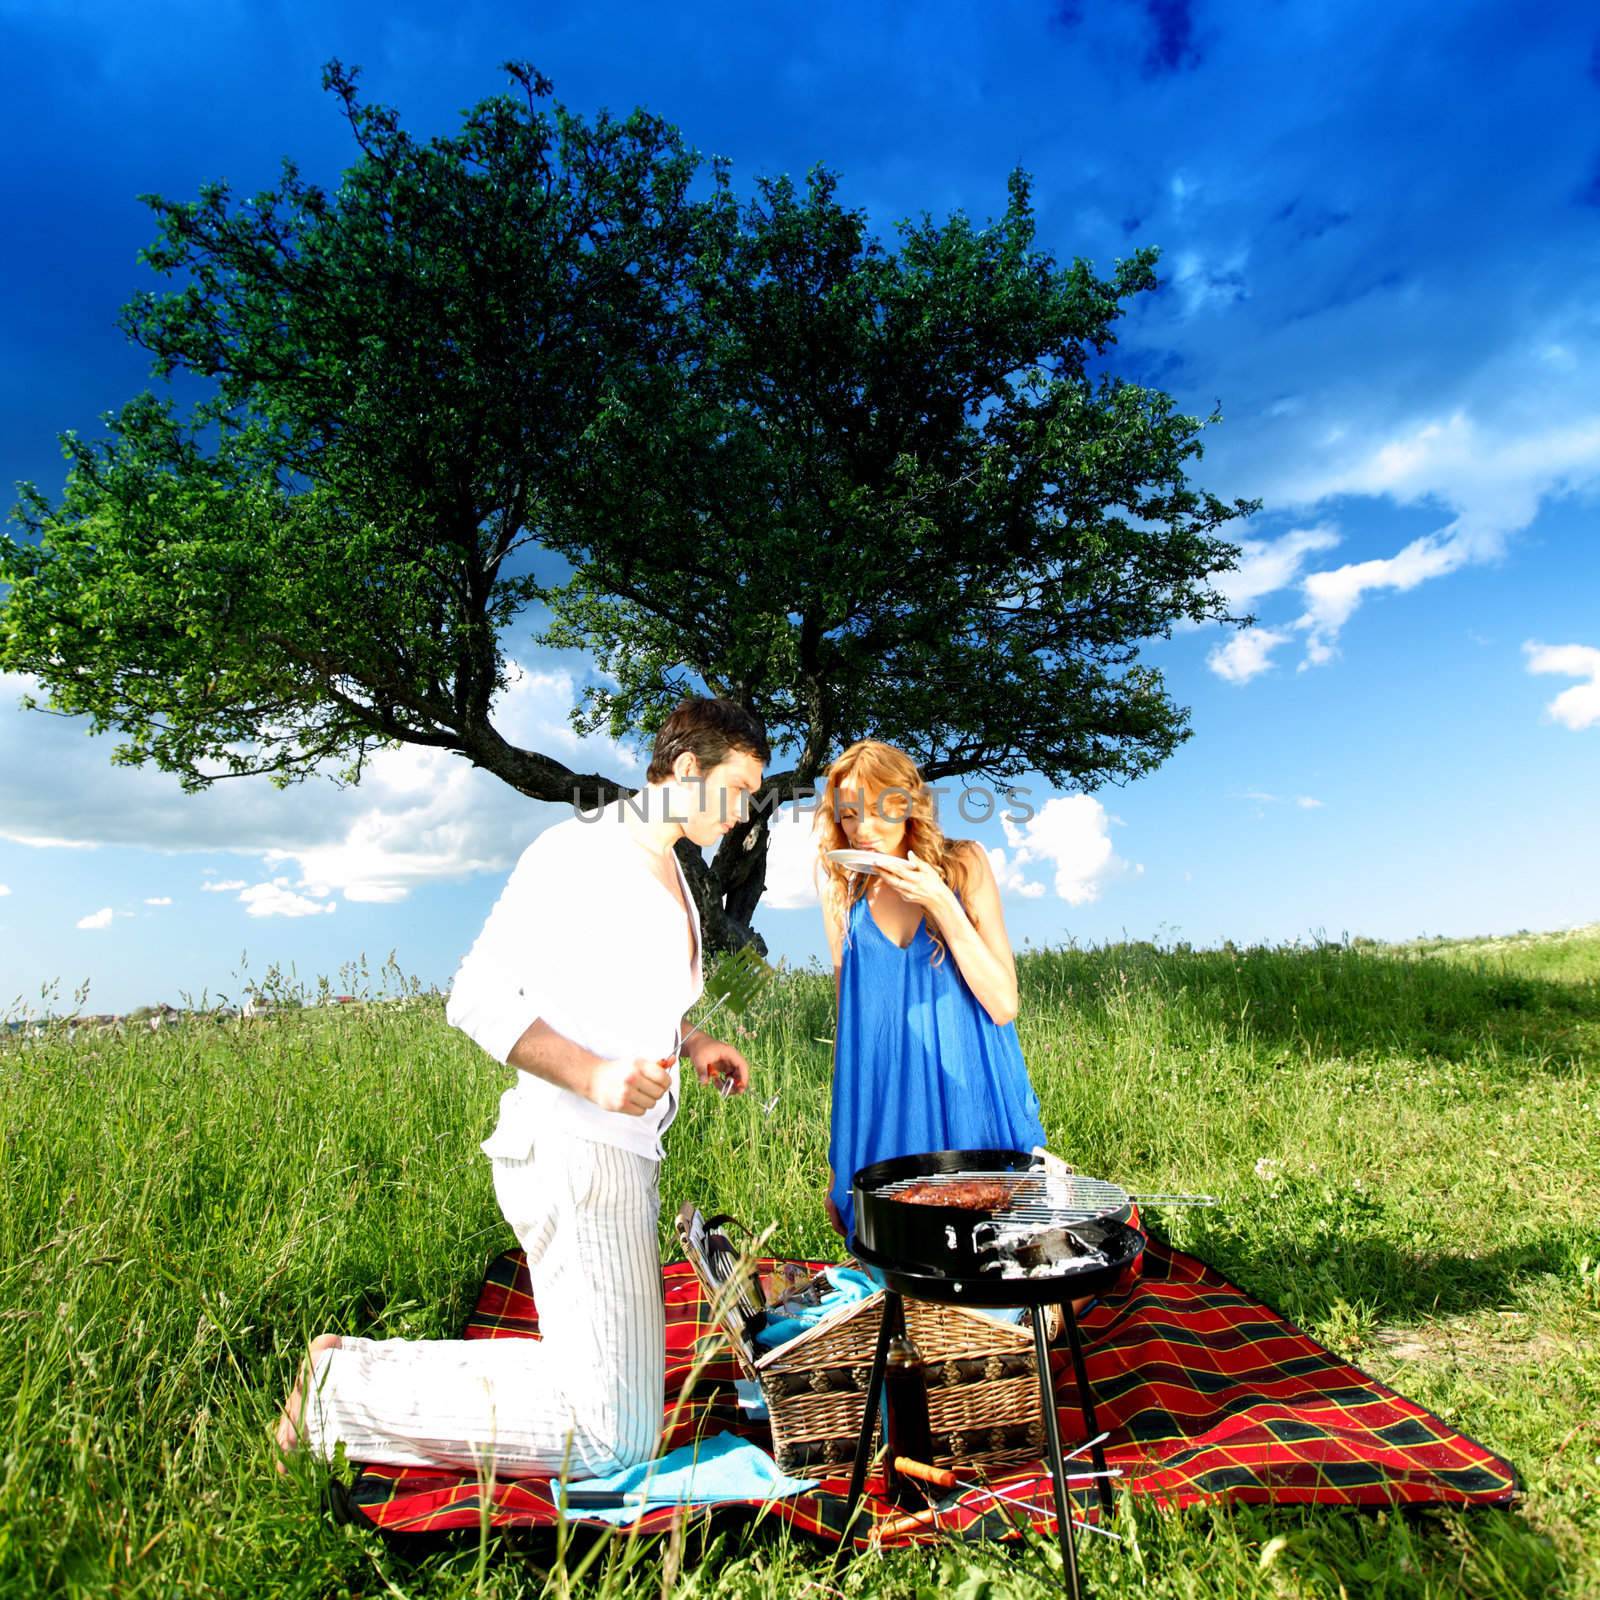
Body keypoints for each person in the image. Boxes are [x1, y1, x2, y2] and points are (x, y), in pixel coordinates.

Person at [274, 696, 766, 1479]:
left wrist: (693, 1041)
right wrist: (595, 1076)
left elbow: (627, 1004)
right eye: (738, 788)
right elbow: (473, 995)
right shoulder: (578, 855)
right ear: (684, 771)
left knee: (604, 1393)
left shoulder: (670, 862)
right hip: (573, 1154)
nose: (746, 811)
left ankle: (351, 1366)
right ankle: (339, 1397)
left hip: (620, 1159)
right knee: (615, 1441)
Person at [814, 739, 1047, 1246]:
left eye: (879, 809)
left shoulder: (964, 864)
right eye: (849, 814)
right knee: (903, 1259)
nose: (863, 829)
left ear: (908, 804)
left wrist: (942, 904)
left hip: (972, 1088)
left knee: (995, 1245)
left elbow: (1004, 1003)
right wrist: (841, 1156)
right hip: (888, 1104)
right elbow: (849, 1030)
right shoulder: (841, 890)